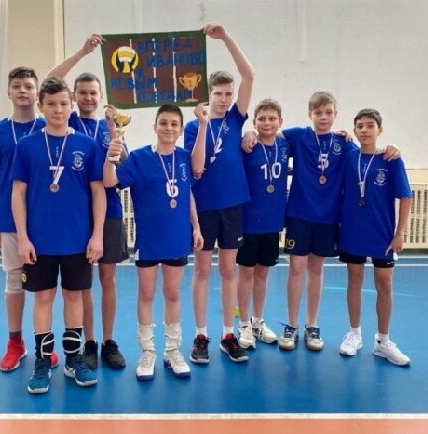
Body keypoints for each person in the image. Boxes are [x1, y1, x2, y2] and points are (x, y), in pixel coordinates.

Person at [267, 92, 399, 352]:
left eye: (328, 112)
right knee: (296, 268)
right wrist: (250, 134)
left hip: (328, 217)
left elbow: (369, 153)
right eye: (318, 113)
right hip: (299, 214)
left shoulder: (344, 143)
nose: (323, 117)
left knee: (316, 270)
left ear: (335, 114)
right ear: (310, 114)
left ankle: (312, 325)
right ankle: (291, 324)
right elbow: (271, 133)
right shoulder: (299, 135)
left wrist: (391, 148)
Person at [11, 77, 105, 393]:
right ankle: (42, 361)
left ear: (72, 105)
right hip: (39, 241)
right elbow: (17, 193)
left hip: (77, 239)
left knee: (75, 296)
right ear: (41, 106)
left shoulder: (87, 145)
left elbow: (98, 192)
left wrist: (97, 235)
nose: (58, 109)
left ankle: (73, 359)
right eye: (51, 104)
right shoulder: (27, 146)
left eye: (64, 103)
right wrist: (23, 237)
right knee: (43, 298)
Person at [104, 103, 204, 380]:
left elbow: (188, 194)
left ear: (180, 129)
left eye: (174, 124)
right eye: (164, 123)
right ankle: (147, 351)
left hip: (177, 238)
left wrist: (196, 227)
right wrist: (111, 156)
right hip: (148, 240)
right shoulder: (139, 158)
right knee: (146, 294)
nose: (168, 128)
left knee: (172, 293)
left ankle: (172, 350)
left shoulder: (184, 158)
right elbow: (110, 182)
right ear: (155, 126)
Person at [47, 34, 128, 370]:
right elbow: (50, 80)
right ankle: (89, 342)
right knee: (83, 284)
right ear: (73, 97)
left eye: (93, 93)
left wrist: (116, 141)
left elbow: (124, 167)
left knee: (108, 279)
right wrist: (82, 52)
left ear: (101, 96)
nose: (88, 97)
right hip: (77, 216)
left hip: (109, 212)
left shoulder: (114, 128)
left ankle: (109, 341)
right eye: (81, 93)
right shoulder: (67, 122)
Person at [184, 22, 254, 364]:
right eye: (219, 94)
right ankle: (201, 334)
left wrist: (226, 38)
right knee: (202, 271)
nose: (225, 99)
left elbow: (249, 75)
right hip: (203, 208)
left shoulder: (237, 119)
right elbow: (196, 167)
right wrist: (202, 127)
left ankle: (228, 333)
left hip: (232, 206)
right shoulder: (193, 125)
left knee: (228, 270)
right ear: (208, 95)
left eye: (229, 94)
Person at [0, 66, 59, 372]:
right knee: (15, 280)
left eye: (29, 85)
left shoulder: (49, 125)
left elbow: (57, 82)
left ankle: (44, 343)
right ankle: (15, 343)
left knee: (44, 286)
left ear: (37, 92)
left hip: (45, 220)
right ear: (9, 92)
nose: (23, 90)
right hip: (9, 219)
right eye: (17, 86)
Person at [338, 108, 412, 366]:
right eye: (360, 126)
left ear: (380, 129)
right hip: (352, 230)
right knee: (354, 279)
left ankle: (383, 341)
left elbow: (406, 196)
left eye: (370, 125)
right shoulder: (349, 155)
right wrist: (340, 133)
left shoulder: (391, 159)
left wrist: (399, 233)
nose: (364, 130)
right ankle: (354, 334)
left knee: (384, 283)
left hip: (382, 234)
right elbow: (334, 138)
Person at [236, 99, 290, 349]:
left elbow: (312, 134)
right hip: (249, 221)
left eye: (272, 119)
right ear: (255, 122)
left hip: (272, 221)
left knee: (263, 273)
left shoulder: (285, 144)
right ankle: (243, 324)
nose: (267, 123)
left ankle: (257, 321)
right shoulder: (247, 146)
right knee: (246, 272)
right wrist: (248, 134)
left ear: (280, 122)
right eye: (262, 119)